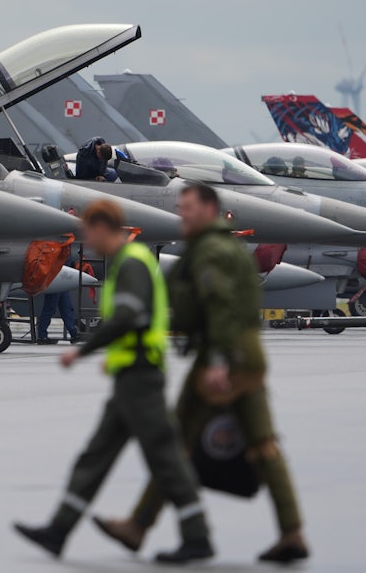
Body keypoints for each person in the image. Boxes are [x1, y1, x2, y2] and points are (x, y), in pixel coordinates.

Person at [92, 182, 309, 564]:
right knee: (262, 445)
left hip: (221, 356)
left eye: (188, 207)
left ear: (209, 209)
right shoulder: (228, 247)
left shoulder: (209, 251)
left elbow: (219, 303)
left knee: (178, 443)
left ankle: (144, 526)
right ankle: (292, 533)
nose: (182, 214)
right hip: (247, 355)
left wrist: (218, 361)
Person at [13, 199, 214, 564]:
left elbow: (127, 316)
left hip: (141, 378)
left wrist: (83, 351)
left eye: (89, 232)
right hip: (130, 376)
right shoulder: (128, 262)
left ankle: (197, 536)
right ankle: (58, 530)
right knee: (97, 455)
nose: (87, 240)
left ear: (104, 228)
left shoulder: (131, 264)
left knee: (164, 458)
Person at [36, 258, 79, 345]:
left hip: (61, 278)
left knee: (66, 307)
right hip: (55, 278)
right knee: (51, 307)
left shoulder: (65, 247)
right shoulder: (60, 246)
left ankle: (74, 334)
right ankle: (42, 335)